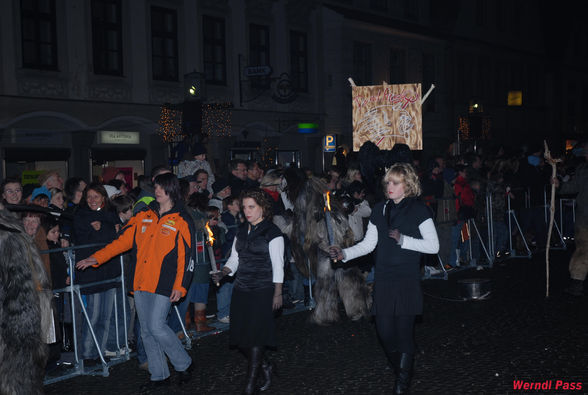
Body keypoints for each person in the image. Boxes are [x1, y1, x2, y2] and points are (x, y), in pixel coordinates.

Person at [329, 163, 439, 394]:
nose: (389, 186)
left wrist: (404, 241)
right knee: (385, 333)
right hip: (385, 279)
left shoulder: (419, 210)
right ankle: (403, 370)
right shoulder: (379, 209)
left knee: (404, 332)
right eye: (388, 182)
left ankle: (401, 385)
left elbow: (433, 246)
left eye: (395, 182)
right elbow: (369, 245)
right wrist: (345, 253)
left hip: (407, 278)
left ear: (407, 185)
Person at [76, 173, 194, 388]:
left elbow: (187, 258)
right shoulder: (143, 215)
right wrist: (96, 258)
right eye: (155, 187)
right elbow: (122, 241)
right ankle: (159, 375)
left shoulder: (182, 219)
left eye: (161, 188)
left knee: (157, 326)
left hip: (165, 283)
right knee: (147, 331)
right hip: (141, 281)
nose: (156, 191)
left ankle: (183, 362)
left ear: (171, 190)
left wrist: (180, 286)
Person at [212, 189, 284, 394]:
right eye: (245, 207)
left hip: (263, 289)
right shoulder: (242, 230)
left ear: (263, 208)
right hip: (242, 288)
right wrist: (223, 272)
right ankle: (266, 364)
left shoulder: (273, 232)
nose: (247, 211)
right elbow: (235, 259)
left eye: (251, 207)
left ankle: (250, 384)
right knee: (241, 338)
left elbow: (278, 265)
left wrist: (277, 293)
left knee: (255, 337)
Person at [554, 139, 588, 296]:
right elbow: (574, 186)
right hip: (585, 219)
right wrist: (558, 185)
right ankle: (577, 283)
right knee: (583, 250)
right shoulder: (583, 169)